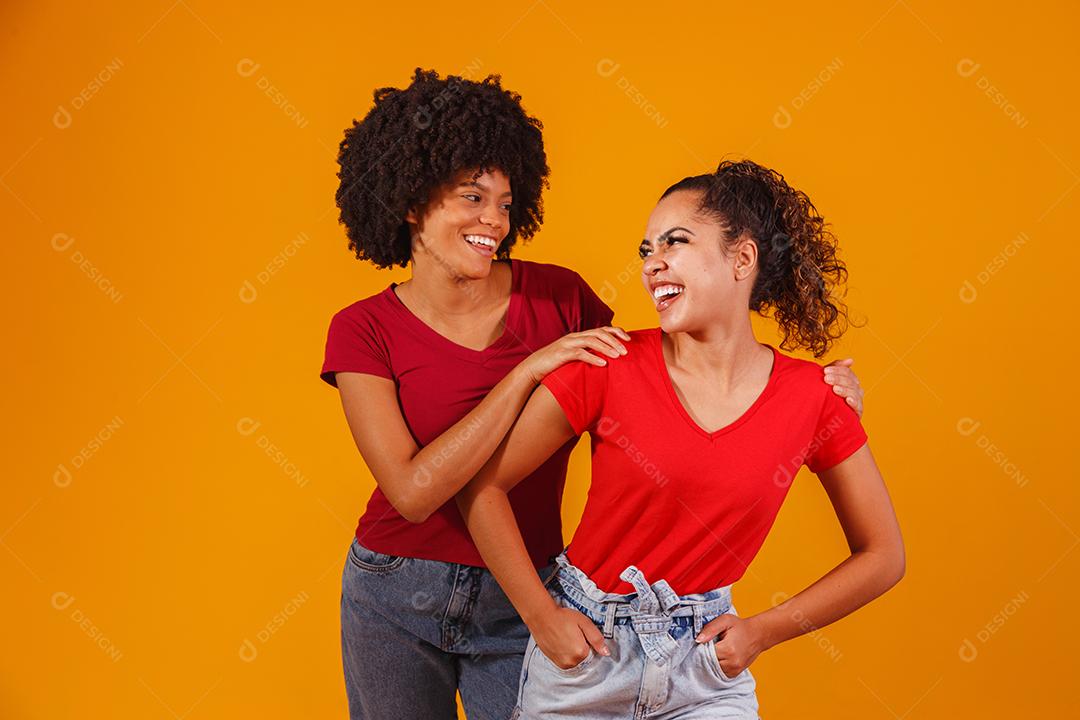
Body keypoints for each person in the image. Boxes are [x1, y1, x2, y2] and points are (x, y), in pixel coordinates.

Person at [457, 159, 904, 720]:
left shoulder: (815, 397)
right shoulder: (606, 365)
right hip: (586, 661)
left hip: (705, 668)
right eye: (646, 250)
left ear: (742, 258)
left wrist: (761, 633)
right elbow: (482, 488)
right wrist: (541, 617)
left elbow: (883, 555)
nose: (653, 264)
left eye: (676, 242)